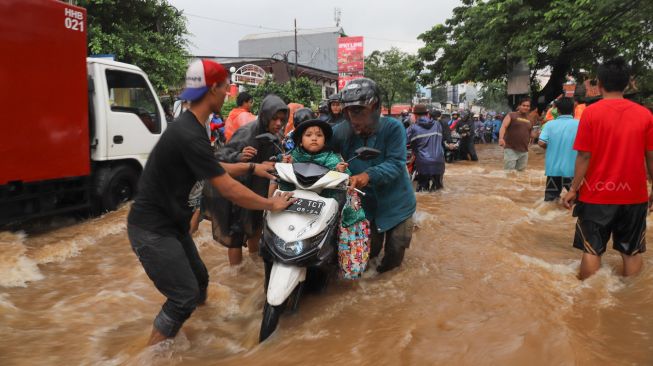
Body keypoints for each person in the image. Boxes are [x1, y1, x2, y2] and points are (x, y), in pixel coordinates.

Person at [127, 59, 294, 345]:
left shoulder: (193, 127)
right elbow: (227, 188)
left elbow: (215, 167)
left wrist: (254, 168)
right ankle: (148, 356)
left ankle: (202, 334)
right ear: (213, 88)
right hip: (152, 229)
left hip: (173, 224)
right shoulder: (189, 133)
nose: (228, 92)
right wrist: (272, 205)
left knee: (200, 283)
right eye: (225, 87)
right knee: (184, 297)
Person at [562, 58, 653, 280]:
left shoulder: (590, 113)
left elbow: (584, 155)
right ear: (629, 83)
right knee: (631, 251)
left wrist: (574, 188)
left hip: (596, 195)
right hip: (634, 196)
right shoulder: (645, 115)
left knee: (592, 250)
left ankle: (586, 299)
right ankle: (628, 300)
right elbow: (651, 156)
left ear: (599, 84)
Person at [332, 78, 416, 273]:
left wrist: (366, 176)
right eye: (349, 111)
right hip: (366, 208)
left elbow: (396, 163)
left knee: (393, 259)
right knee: (368, 257)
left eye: (359, 111)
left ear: (375, 107)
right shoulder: (341, 132)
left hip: (397, 205)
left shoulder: (393, 128)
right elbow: (317, 146)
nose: (353, 118)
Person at [208, 94, 289, 266]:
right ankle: (236, 275)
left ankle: (253, 266)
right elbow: (219, 159)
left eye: (282, 119)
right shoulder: (246, 133)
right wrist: (239, 155)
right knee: (236, 235)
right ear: (265, 115)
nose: (278, 123)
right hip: (238, 189)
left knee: (255, 228)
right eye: (274, 119)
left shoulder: (277, 135)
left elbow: (274, 158)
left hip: (258, 188)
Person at [537, 97, 579, 202]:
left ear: (557, 110)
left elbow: (541, 142)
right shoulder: (580, 124)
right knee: (576, 202)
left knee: (550, 201)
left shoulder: (549, 125)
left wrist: (552, 147)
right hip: (572, 171)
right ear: (573, 110)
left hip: (553, 171)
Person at [407, 104, 447, 192]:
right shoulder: (437, 125)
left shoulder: (413, 128)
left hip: (423, 164)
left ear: (415, 115)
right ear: (427, 113)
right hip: (439, 163)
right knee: (438, 191)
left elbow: (404, 141)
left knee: (422, 192)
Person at [499, 98, 533, 171]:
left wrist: (533, 139)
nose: (526, 107)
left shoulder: (530, 119)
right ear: (519, 106)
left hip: (524, 151)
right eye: (524, 105)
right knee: (508, 172)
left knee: (521, 174)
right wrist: (501, 138)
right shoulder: (511, 115)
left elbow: (530, 133)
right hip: (511, 149)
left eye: (528, 106)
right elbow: (503, 126)